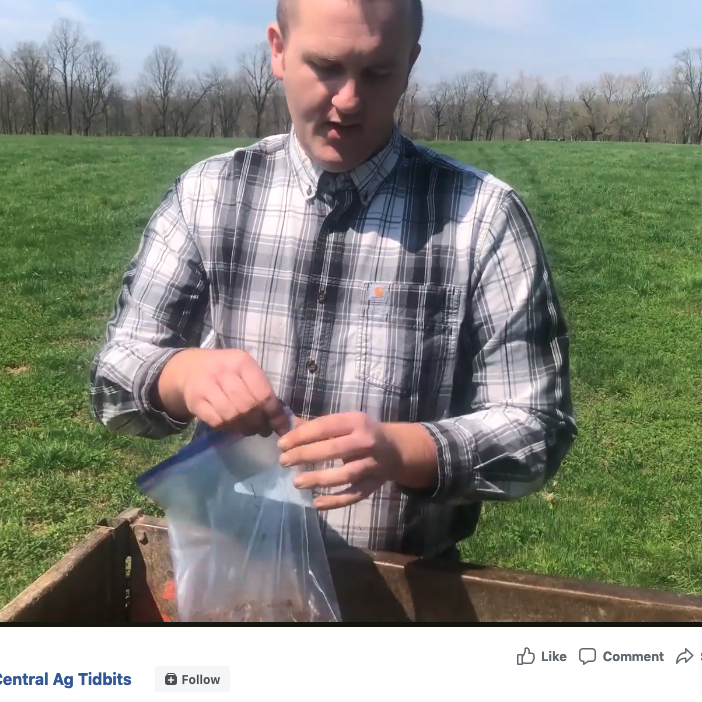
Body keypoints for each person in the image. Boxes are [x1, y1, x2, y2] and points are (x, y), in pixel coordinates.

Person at [90, 0, 577, 560]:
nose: (348, 100)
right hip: (232, 580)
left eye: (377, 72)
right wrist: (179, 375)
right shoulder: (208, 195)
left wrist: (405, 451)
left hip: (400, 601)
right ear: (278, 51)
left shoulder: (482, 217)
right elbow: (112, 381)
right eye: (325, 66)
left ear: (410, 64)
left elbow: (539, 431)